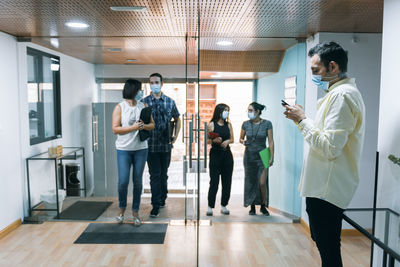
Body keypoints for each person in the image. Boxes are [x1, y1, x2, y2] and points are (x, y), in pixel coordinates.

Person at [283, 41, 365, 267]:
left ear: (333, 67)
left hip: (326, 190)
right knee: (325, 245)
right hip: (323, 188)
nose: (314, 76)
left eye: (316, 71)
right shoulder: (337, 94)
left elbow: (329, 147)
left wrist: (302, 119)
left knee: (328, 249)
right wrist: (303, 120)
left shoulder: (342, 96)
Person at [112, 79, 155, 226]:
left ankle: (135, 212)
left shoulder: (144, 106)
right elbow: (115, 129)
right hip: (124, 150)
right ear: (133, 90)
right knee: (123, 181)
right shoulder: (120, 107)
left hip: (141, 150)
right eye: (140, 89)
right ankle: (121, 211)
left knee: (137, 181)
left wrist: (144, 126)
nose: (141, 92)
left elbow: (152, 125)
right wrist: (133, 128)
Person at [141, 73, 181, 218]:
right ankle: (155, 204)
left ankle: (162, 197)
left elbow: (177, 118)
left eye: (156, 82)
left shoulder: (170, 102)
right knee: (154, 175)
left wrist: (175, 136)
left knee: (163, 174)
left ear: (162, 83)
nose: (154, 84)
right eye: (151, 82)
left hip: (165, 145)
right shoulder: (144, 102)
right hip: (150, 146)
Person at [240, 102, 274, 215]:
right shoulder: (245, 124)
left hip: (263, 154)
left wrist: (271, 156)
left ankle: (263, 205)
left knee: (262, 182)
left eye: (251, 110)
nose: (249, 113)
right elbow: (241, 138)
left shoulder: (267, 124)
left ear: (258, 111)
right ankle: (252, 206)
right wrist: (243, 142)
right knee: (251, 182)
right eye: (248, 110)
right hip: (249, 155)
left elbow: (270, 141)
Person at [206, 104, 234, 216]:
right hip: (215, 155)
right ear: (219, 111)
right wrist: (214, 141)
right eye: (225, 110)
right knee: (214, 182)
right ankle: (210, 206)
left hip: (227, 155)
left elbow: (232, 138)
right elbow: (207, 141)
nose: (226, 112)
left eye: (228, 110)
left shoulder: (229, 125)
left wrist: (227, 141)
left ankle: (224, 205)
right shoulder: (211, 124)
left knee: (227, 182)